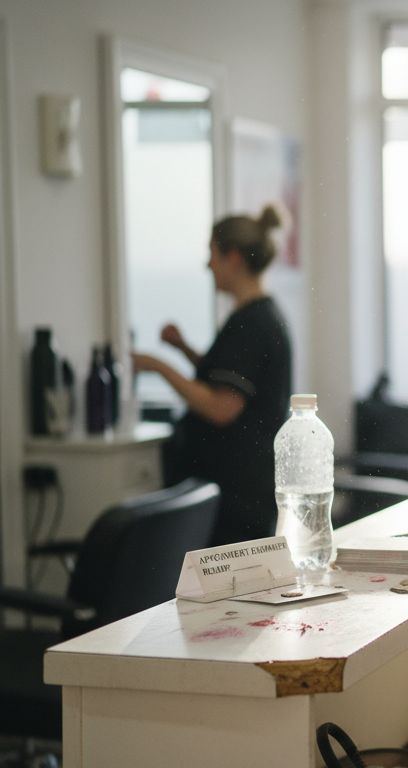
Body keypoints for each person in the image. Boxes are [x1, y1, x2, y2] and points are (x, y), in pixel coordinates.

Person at [133, 205, 293, 546]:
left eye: (212, 254)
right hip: (248, 487)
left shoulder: (250, 324)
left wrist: (158, 366)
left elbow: (222, 407)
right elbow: (227, 379)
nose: (208, 265)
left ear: (232, 257)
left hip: (237, 496)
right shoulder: (262, 316)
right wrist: (183, 349)